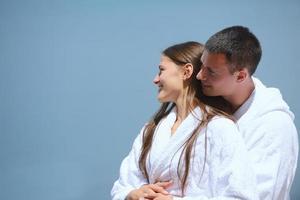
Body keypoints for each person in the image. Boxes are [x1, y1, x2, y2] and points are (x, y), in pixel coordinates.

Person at [111, 41, 258, 200]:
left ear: (186, 71)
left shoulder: (220, 127)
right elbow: (123, 185)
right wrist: (133, 194)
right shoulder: (151, 130)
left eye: (161, 70)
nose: (155, 80)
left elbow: (241, 195)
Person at [196, 25, 298, 200]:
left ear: (241, 76)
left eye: (211, 71)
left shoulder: (274, 126)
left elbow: (257, 196)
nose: (199, 75)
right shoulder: (209, 108)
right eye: (202, 66)